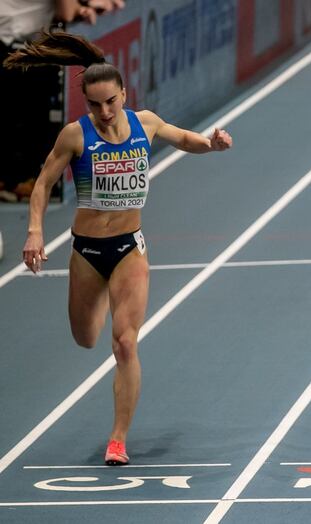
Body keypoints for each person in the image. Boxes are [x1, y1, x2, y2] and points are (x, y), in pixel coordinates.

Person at [4, 30, 232, 465]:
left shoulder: (144, 123)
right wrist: (35, 230)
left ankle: (118, 439)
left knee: (124, 344)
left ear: (124, 94)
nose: (105, 112)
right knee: (86, 337)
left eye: (111, 102)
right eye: (95, 104)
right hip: (87, 252)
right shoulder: (75, 135)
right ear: (85, 103)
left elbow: (186, 139)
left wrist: (212, 143)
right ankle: (99, 310)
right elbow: (43, 183)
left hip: (130, 248)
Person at [0, 0, 125, 201]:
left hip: (15, 37)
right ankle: (16, 180)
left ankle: (15, 180)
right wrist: (85, 6)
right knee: (27, 113)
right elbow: (66, 13)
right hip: (9, 42)